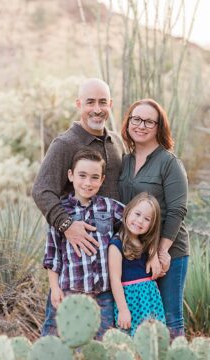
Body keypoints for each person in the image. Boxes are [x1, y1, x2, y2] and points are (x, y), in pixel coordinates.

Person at [118, 98, 189, 338]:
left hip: (169, 251)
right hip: (134, 253)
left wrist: (160, 253)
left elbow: (178, 209)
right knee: (140, 320)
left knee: (169, 319)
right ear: (128, 123)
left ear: (159, 127)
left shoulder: (169, 162)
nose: (141, 125)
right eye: (136, 119)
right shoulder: (124, 161)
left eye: (149, 121)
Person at [32, 78, 124, 258]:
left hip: (119, 251)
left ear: (110, 105)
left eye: (103, 102)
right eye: (90, 102)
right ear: (79, 104)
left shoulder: (117, 142)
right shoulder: (65, 144)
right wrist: (67, 225)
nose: (97, 109)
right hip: (82, 253)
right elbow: (41, 191)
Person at [42, 149, 125, 337]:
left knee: (102, 345)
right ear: (71, 175)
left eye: (94, 177)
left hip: (104, 295)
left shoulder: (109, 207)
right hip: (71, 292)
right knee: (67, 342)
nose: (88, 183)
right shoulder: (61, 212)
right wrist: (55, 288)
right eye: (82, 175)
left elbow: (134, 222)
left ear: (102, 180)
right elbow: (52, 255)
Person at [108, 192, 166, 336]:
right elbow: (115, 279)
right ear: (127, 211)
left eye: (147, 219)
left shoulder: (147, 244)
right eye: (137, 214)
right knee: (132, 341)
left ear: (152, 225)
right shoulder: (116, 245)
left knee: (153, 339)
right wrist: (123, 310)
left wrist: (163, 264)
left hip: (150, 299)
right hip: (130, 301)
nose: (140, 221)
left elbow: (156, 272)